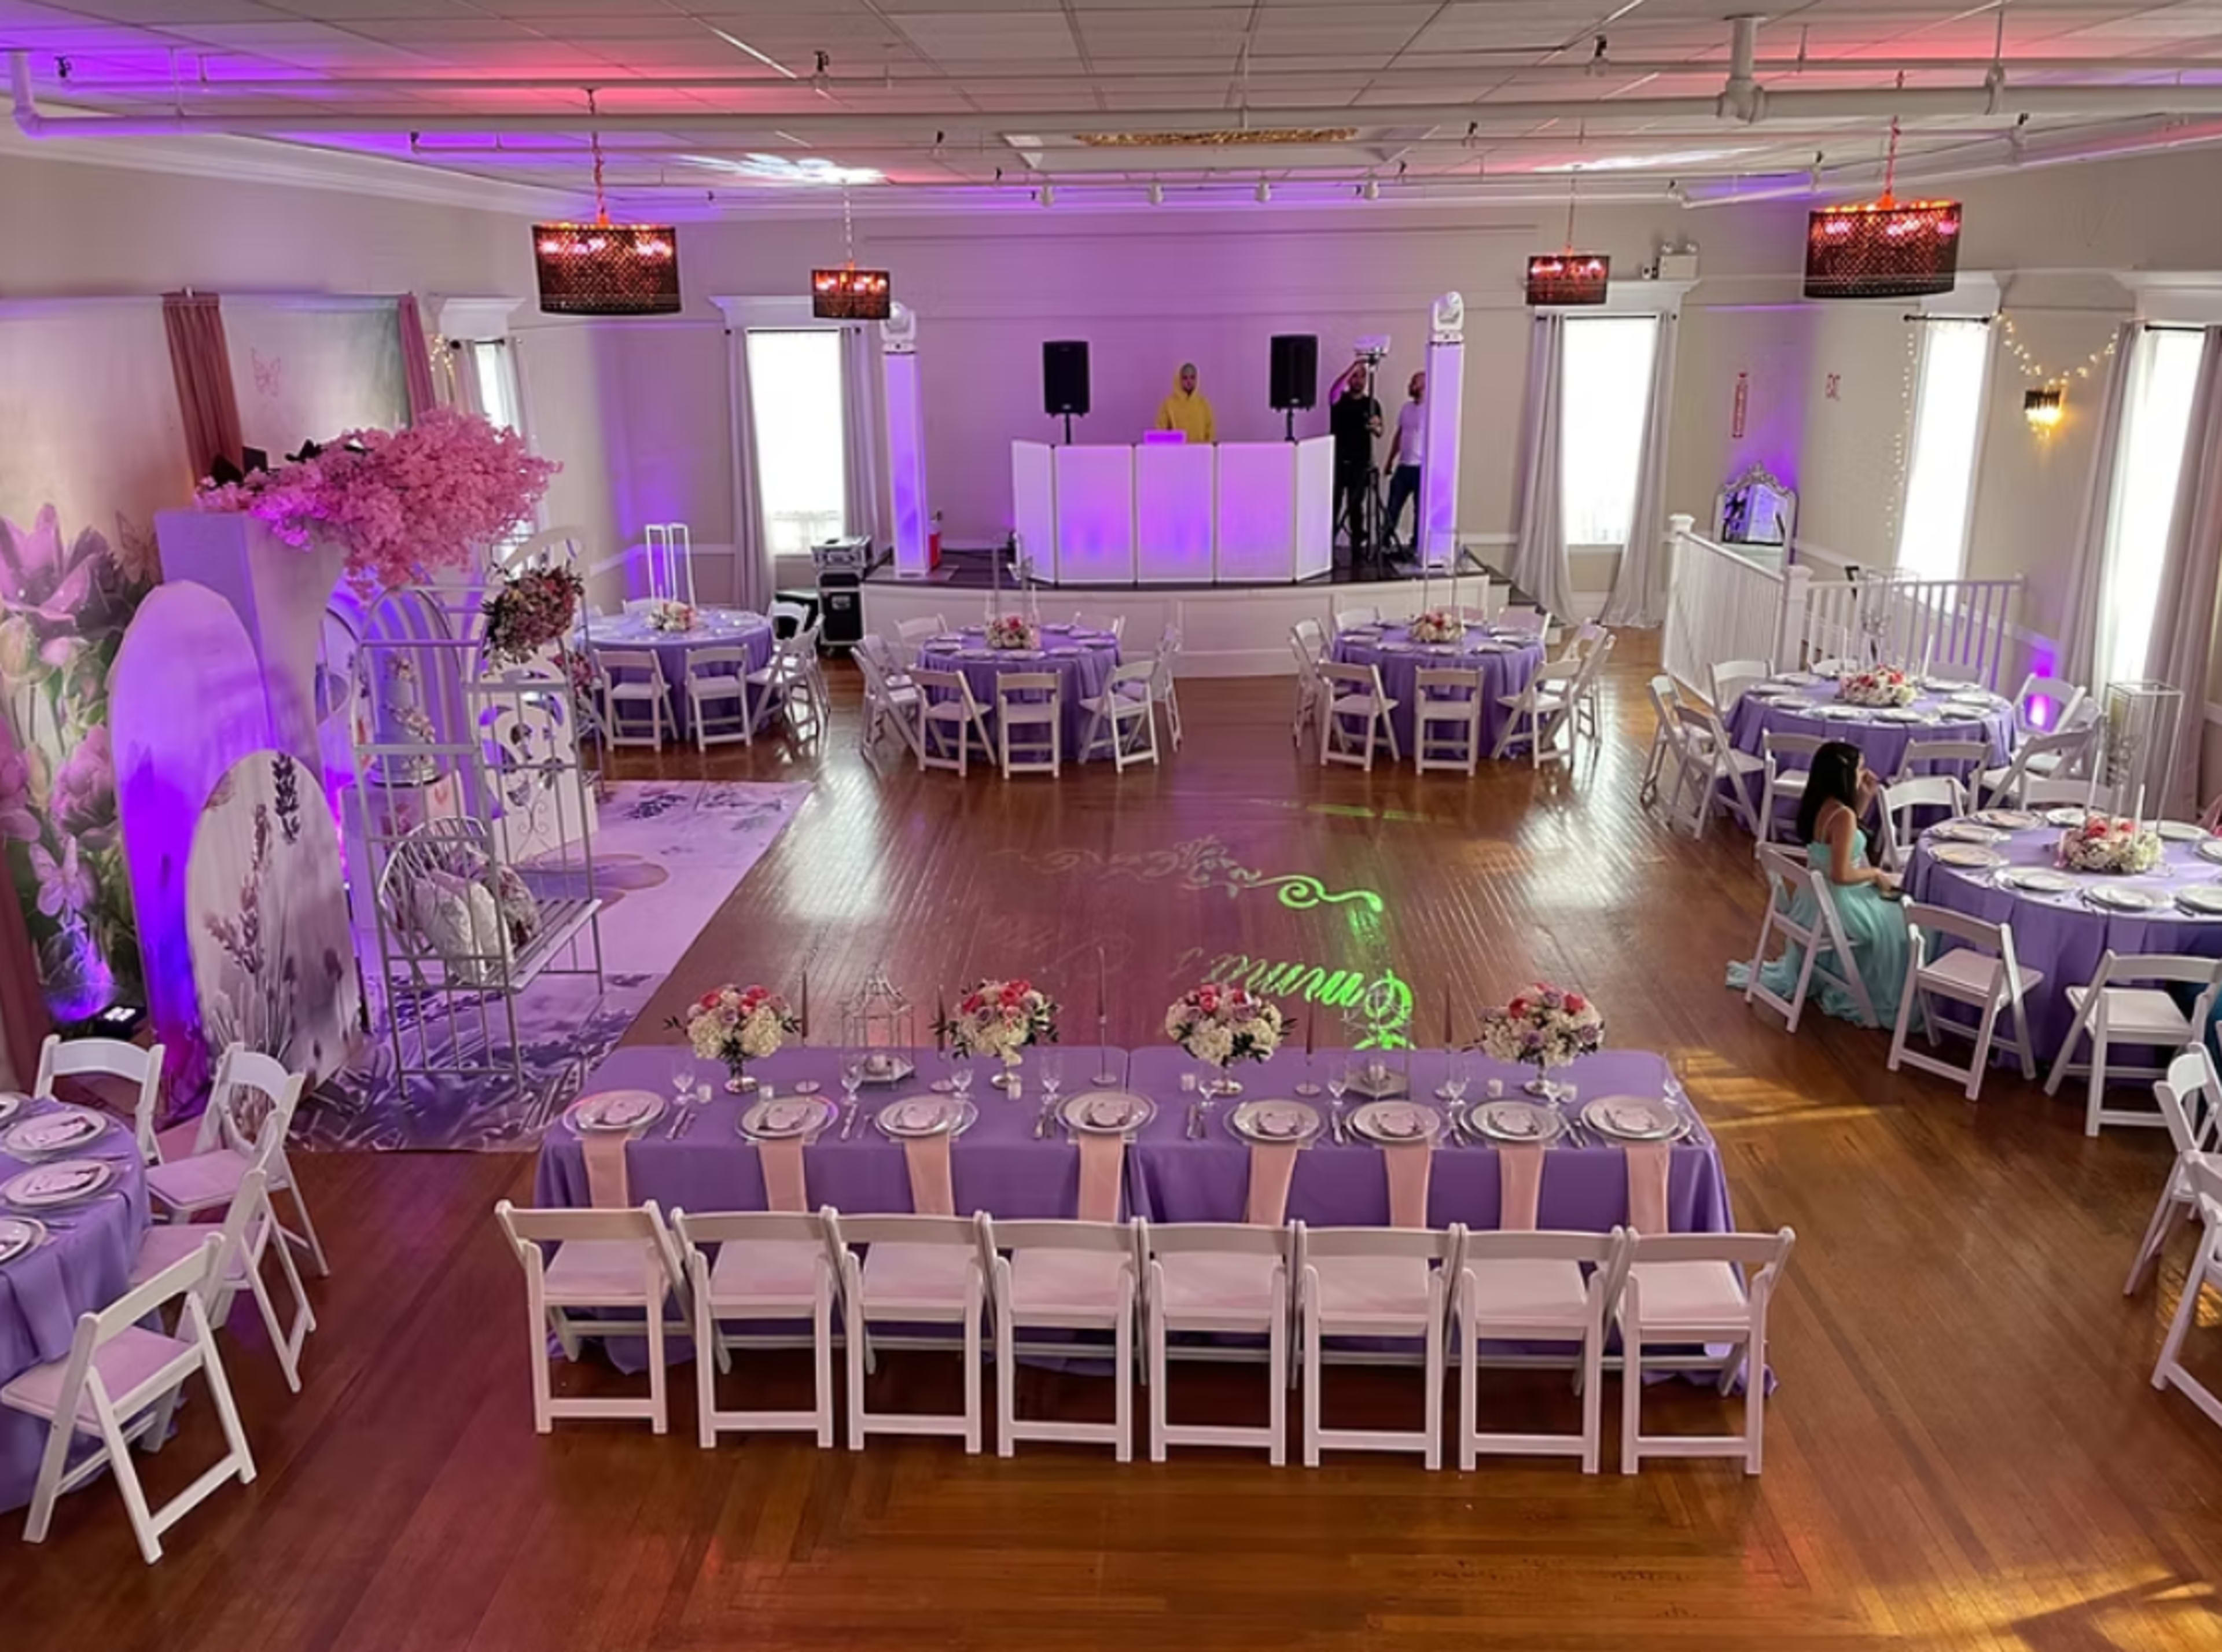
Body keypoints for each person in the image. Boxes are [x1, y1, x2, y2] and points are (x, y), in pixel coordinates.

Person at [1725, 741, 1909, 1026]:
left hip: (1811, 902)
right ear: (1844, 775)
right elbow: (1841, 874)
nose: (1866, 773)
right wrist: (1875, 874)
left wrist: (1865, 798)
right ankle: (1885, 993)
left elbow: (1842, 839)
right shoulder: (1844, 816)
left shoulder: (1821, 805)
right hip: (1837, 904)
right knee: (1902, 919)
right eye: (1861, 769)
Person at [1328, 358, 1382, 553]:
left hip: (1360, 463)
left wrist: (1375, 427)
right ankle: (1327, 545)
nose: (1359, 381)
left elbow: (1379, 431)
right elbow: (1333, 393)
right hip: (1338, 461)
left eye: (1362, 377)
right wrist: (1353, 366)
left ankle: (1357, 546)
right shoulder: (1340, 401)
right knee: (1333, 504)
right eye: (1355, 377)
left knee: (1356, 506)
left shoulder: (1371, 403)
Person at [1382, 370, 1426, 551]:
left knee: (1420, 510)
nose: (1410, 386)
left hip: (1421, 468)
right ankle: (1385, 542)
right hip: (1404, 466)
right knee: (1393, 506)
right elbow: (1399, 435)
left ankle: (1417, 545)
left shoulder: (1432, 410)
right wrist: (1390, 460)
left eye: (1414, 383)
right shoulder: (1406, 408)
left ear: (1424, 386)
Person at [1154, 362, 1216, 444]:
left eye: (1192, 378)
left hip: (1200, 452)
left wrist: (1207, 449)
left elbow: (1210, 431)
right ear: (1179, 379)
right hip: (1176, 453)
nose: (1189, 381)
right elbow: (1161, 432)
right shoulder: (1169, 404)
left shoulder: (1203, 404)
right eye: (1185, 378)